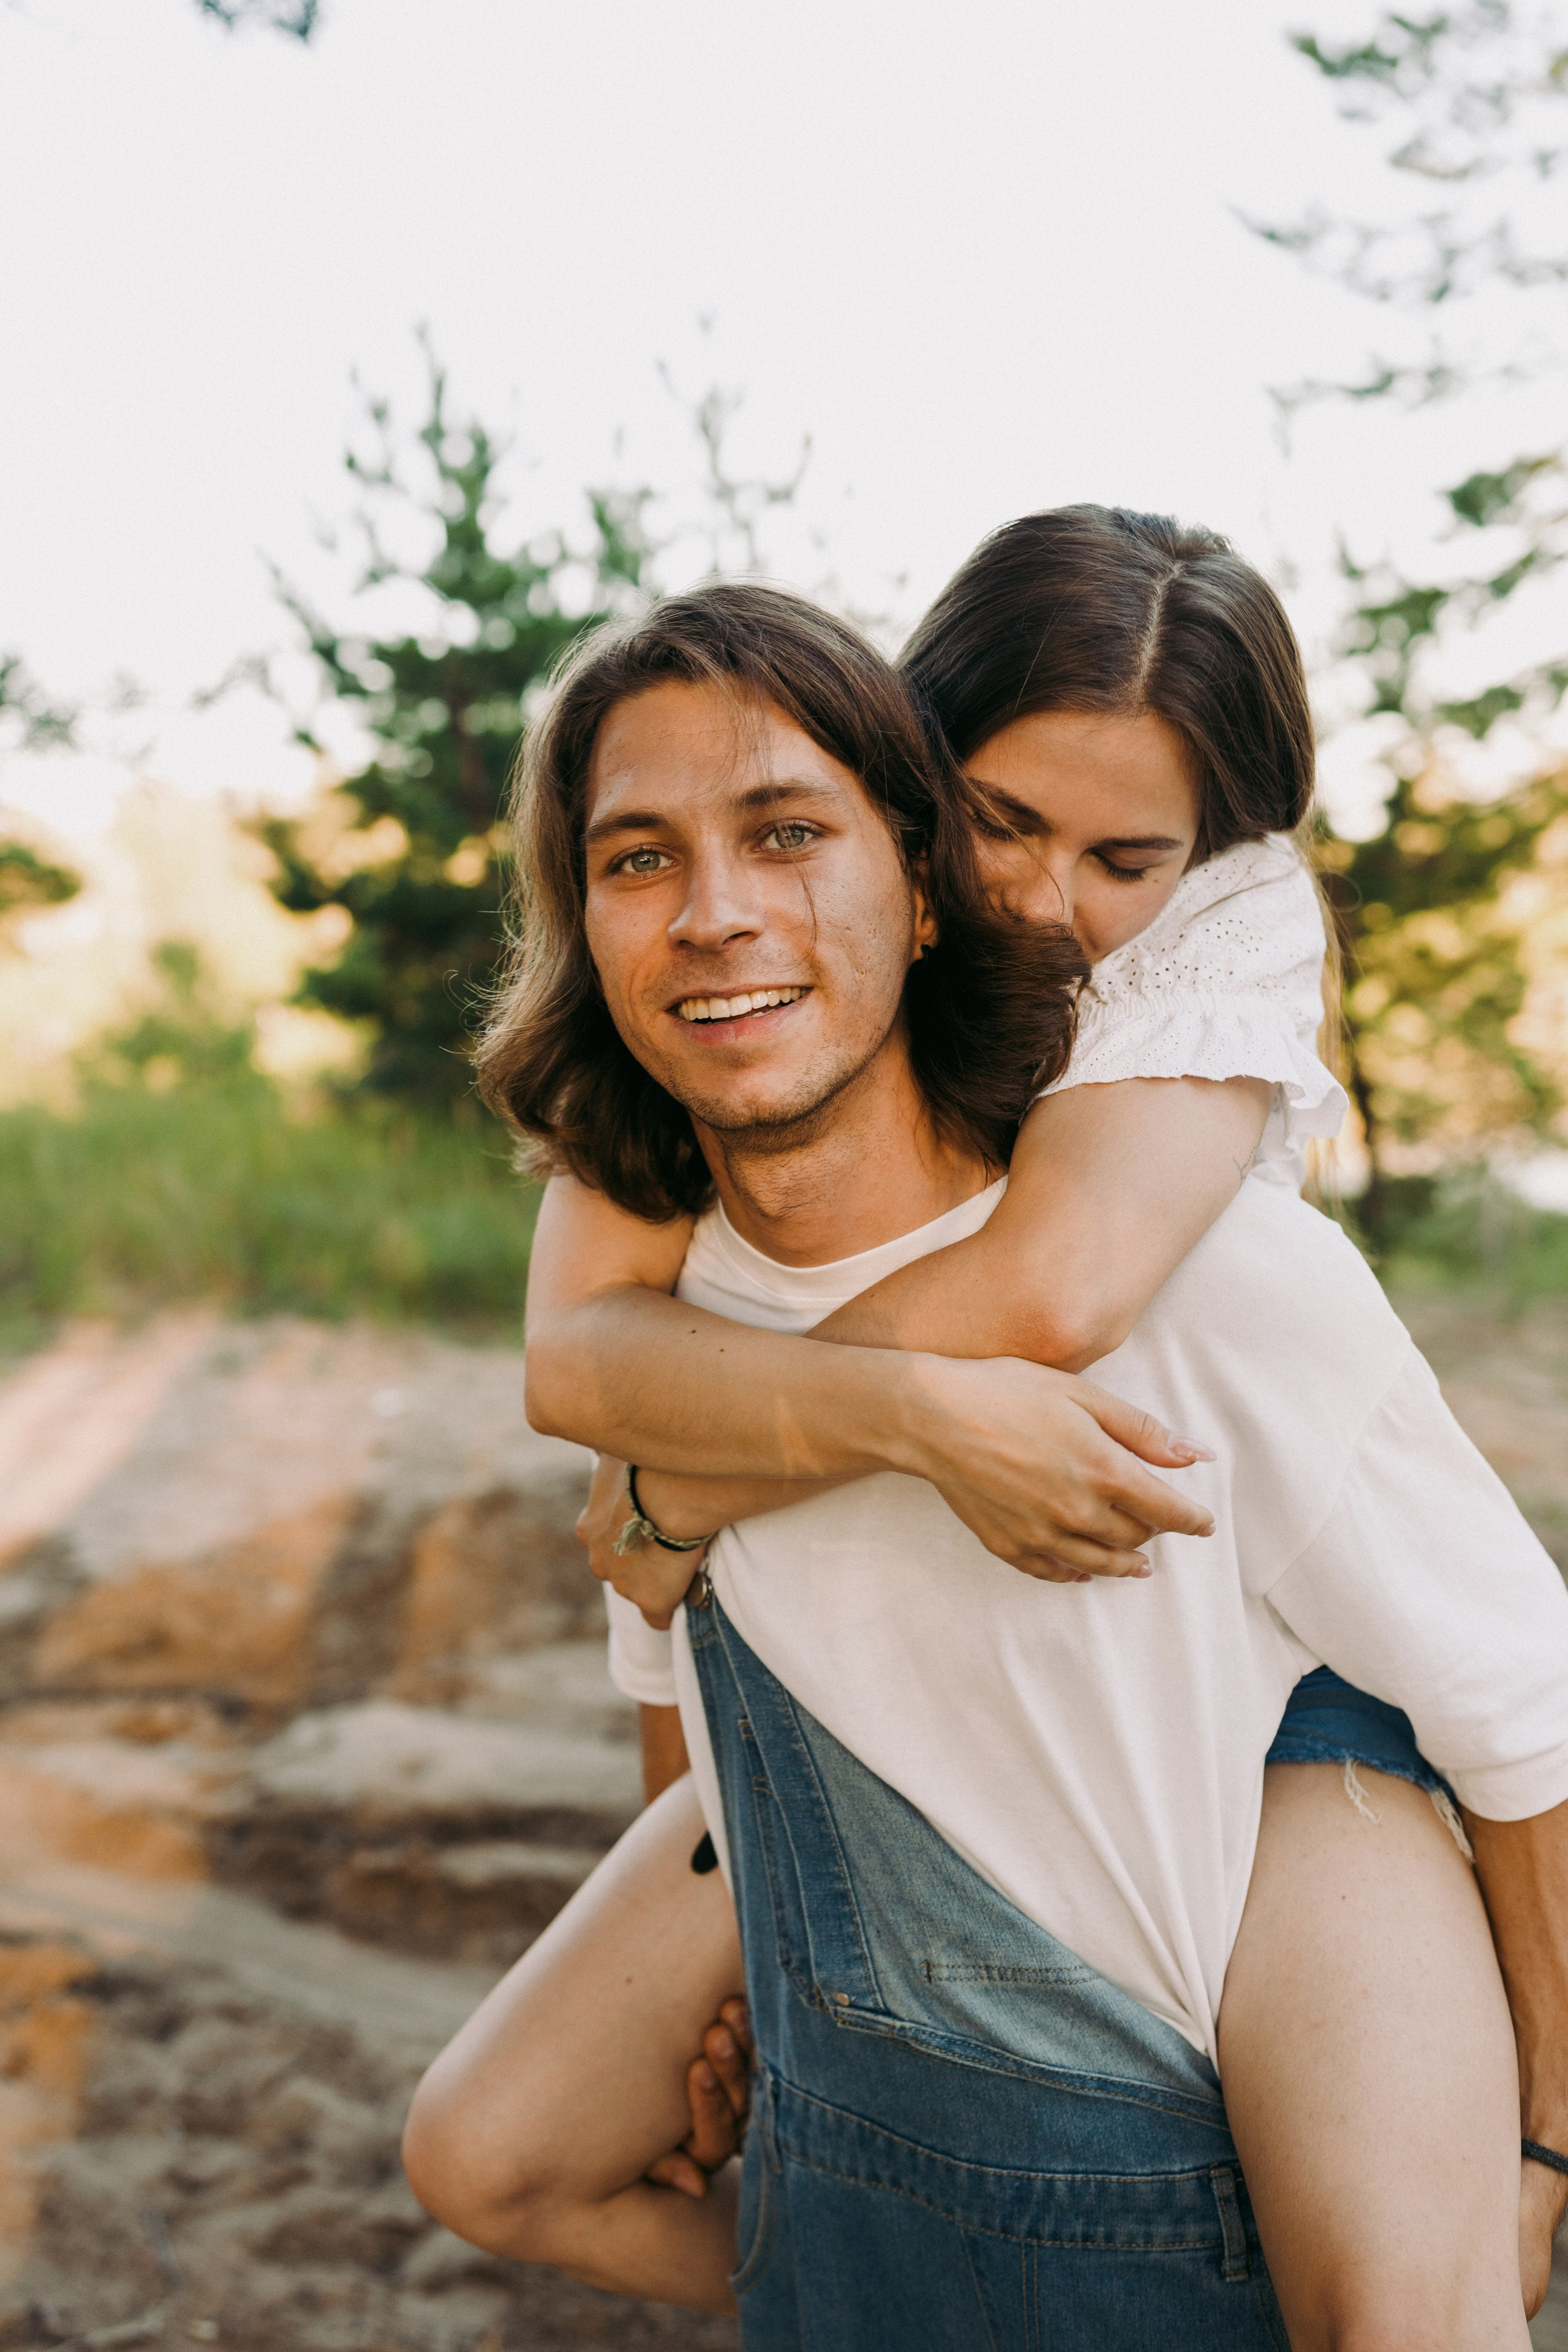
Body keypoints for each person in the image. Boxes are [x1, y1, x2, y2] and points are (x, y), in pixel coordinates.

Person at [404, 565, 1568, 2345]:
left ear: (902, 871)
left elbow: (1525, 1704)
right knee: (487, 2151)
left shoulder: (1192, 1247)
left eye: (788, 834)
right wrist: (749, 1990)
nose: (718, 911)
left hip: (1297, 1798)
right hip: (877, 2053)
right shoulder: (664, 1310)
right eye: (641, 858)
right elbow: (680, 1666)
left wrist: (1547, 2157)